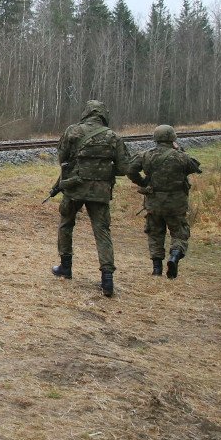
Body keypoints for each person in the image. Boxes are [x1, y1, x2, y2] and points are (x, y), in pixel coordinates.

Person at [50, 100, 132, 297]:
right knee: (102, 232)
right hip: (100, 191)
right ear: (104, 115)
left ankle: (65, 267)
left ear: (86, 113)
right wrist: (103, 169)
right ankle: (107, 279)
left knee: (66, 224)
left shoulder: (73, 131)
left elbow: (62, 158)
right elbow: (123, 168)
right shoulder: (113, 136)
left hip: (74, 187)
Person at [125, 124, 202, 278]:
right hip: (176, 204)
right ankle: (174, 256)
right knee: (179, 233)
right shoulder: (181, 156)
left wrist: (142, 182)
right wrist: (179, 149)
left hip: (154, 202)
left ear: (155, 138)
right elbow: (195, 167)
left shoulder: (146, 155)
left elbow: (130, 169)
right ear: (173, 139)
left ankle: (157, 269)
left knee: (155, 234)